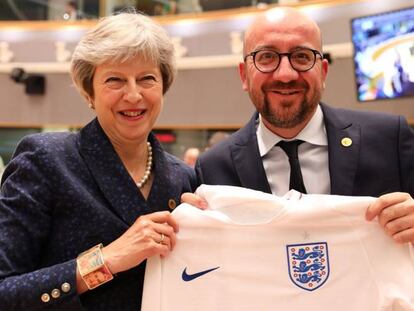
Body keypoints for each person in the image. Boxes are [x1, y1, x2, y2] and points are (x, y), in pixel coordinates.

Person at [0, 12, 197, 310]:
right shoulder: (45, 160)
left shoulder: (183, 178)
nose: (133, 94)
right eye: (115, 80)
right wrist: (105, 261)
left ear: (163, 87)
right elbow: (4, 290)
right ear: (88, 91)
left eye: (147, 79)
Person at [184, 7, 414, 244]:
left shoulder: (389, 140)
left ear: (323, 72)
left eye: (302, 56)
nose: (285, 74)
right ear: (244, 75)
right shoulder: (213, 169)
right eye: (267, 57)